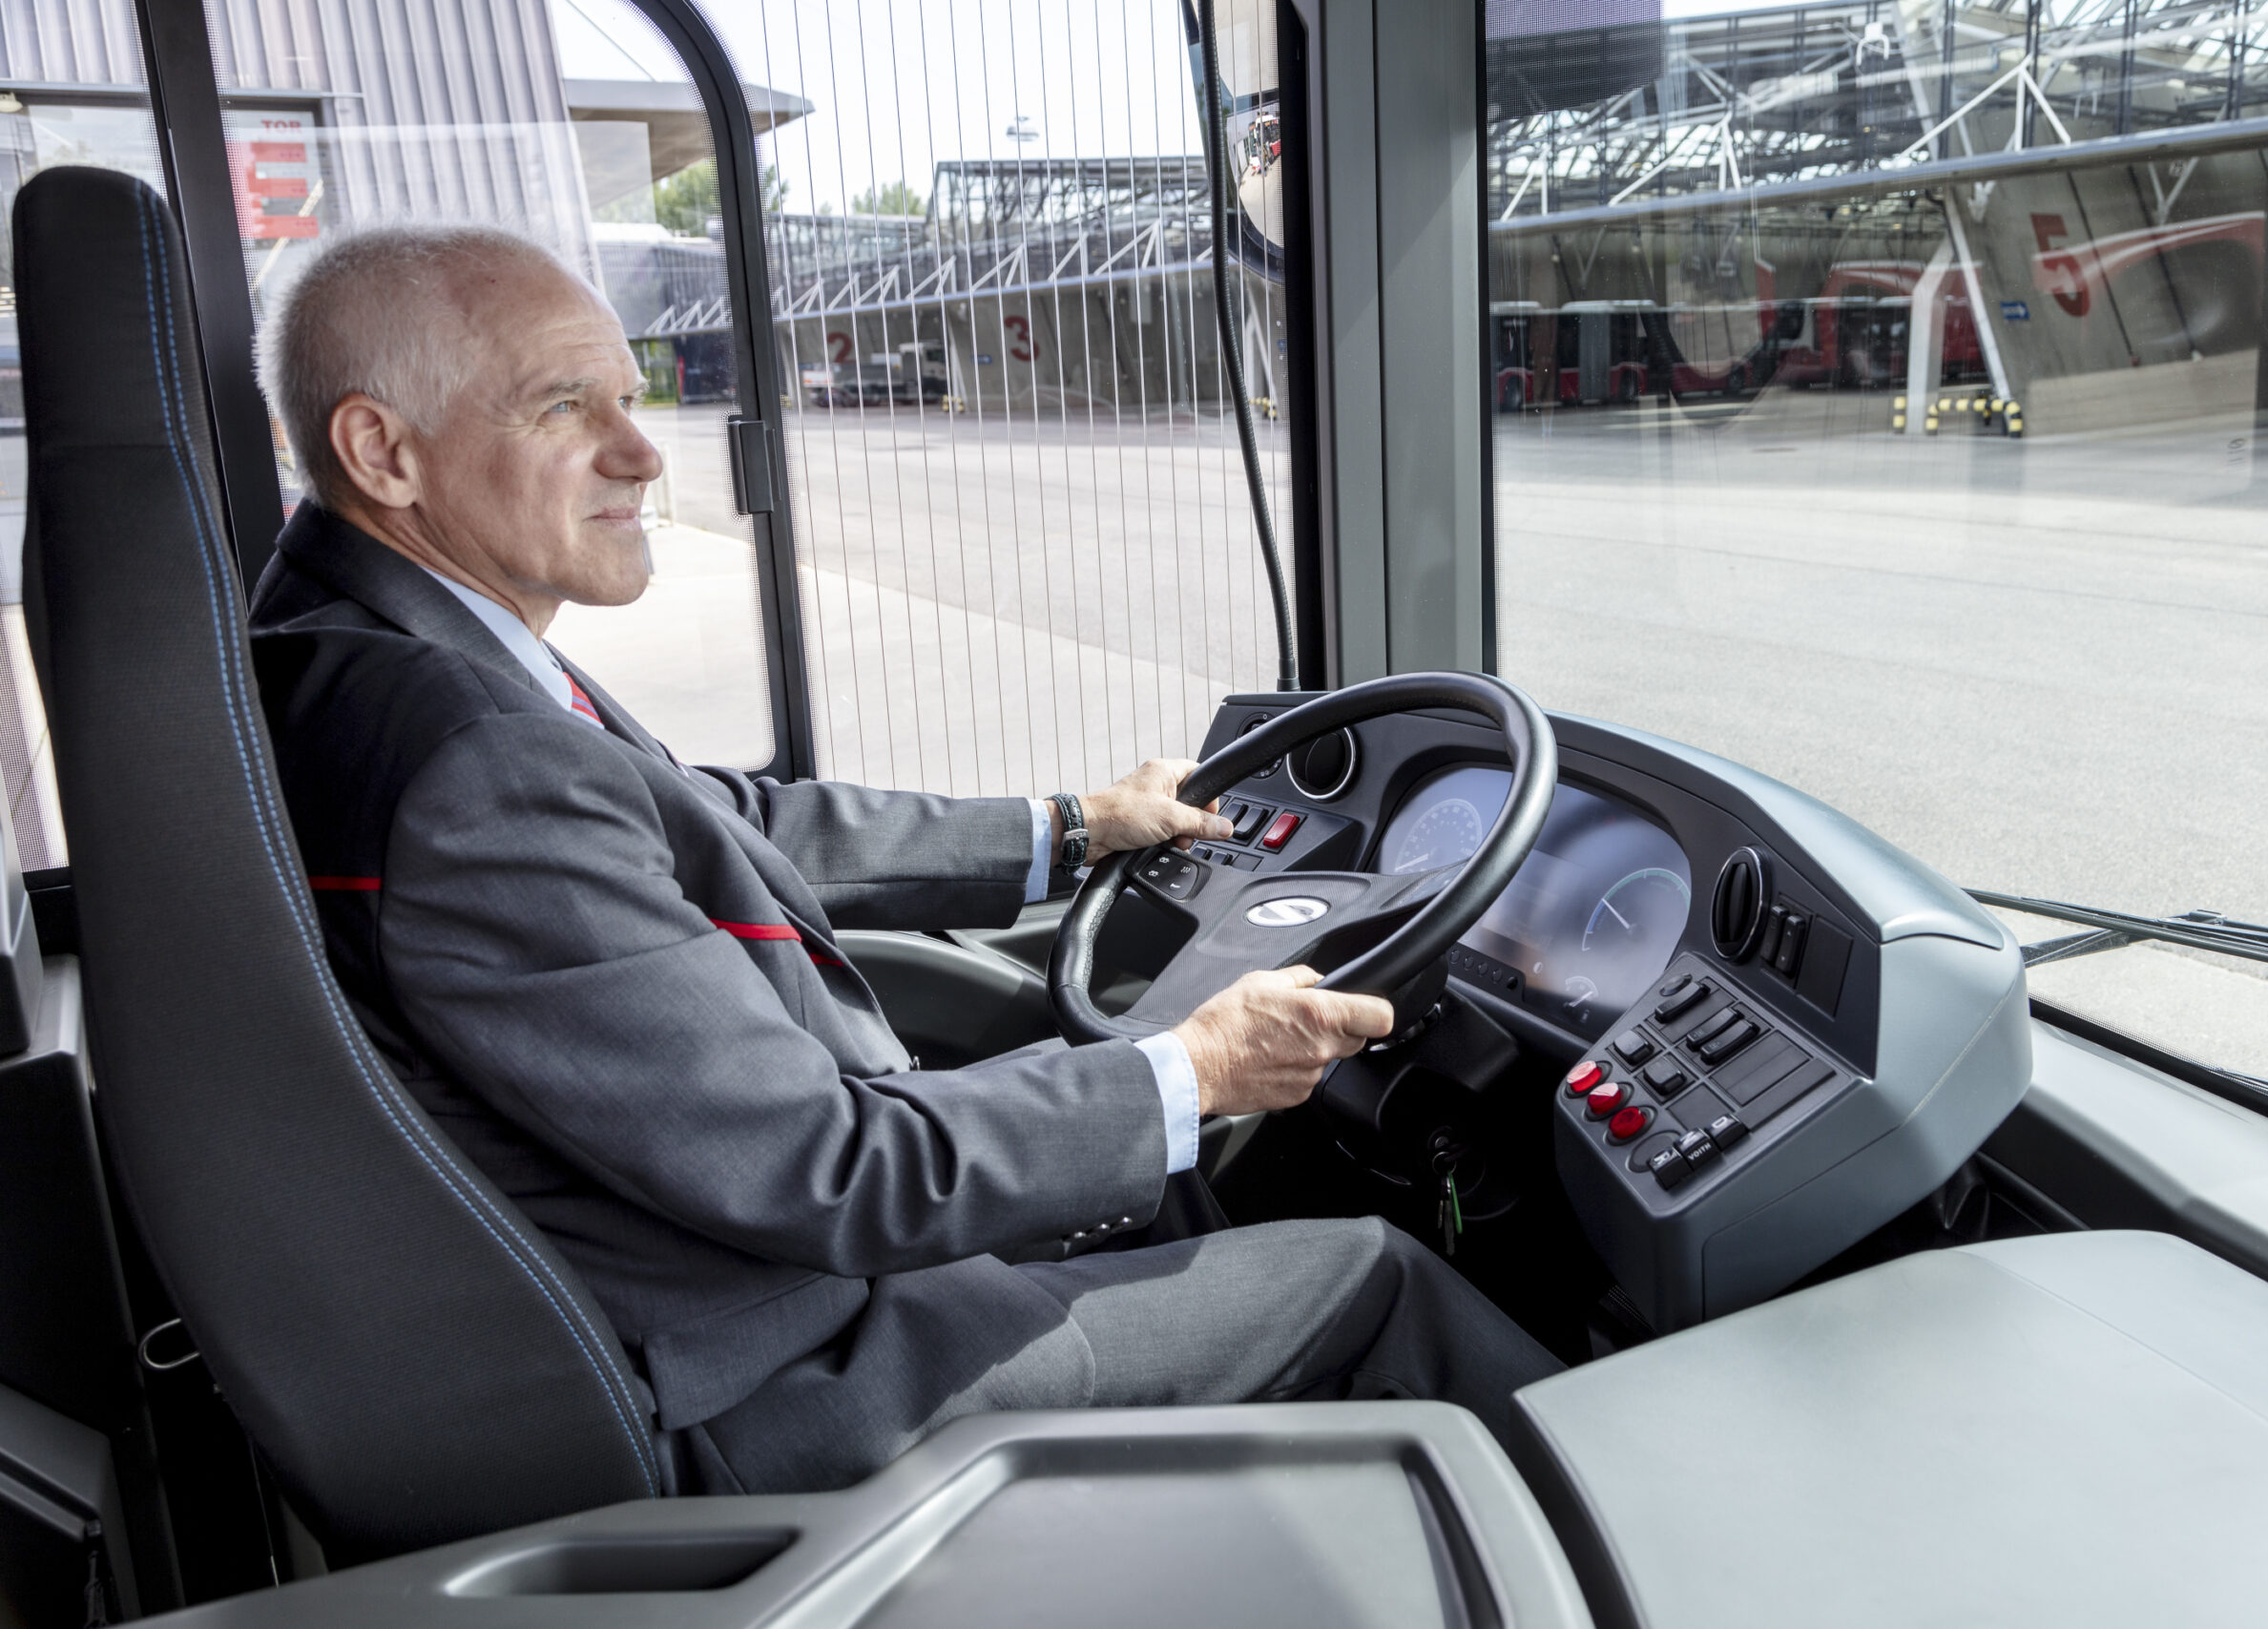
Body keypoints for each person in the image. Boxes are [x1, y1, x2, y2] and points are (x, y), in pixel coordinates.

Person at [246, 224, 1559, 1493]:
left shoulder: (369, 653)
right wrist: (1198, 1070)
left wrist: (1072, 828)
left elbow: (718, 826)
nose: (644, 453)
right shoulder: (478, 767)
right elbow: (832, 1170)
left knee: (1157, 1193)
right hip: (771, 1375)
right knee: (1373, 1277)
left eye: (634, 399)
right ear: (383, 450)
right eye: (562, 407)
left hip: (714, 1273)